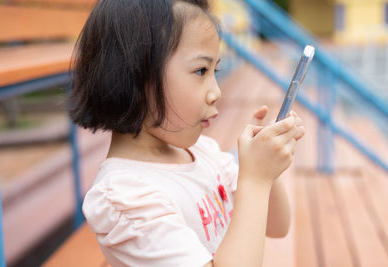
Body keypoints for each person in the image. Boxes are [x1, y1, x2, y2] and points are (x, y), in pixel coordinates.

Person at [67, 0, 305, 266]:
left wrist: (265, 172)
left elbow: (276, 225)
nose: (217, 92)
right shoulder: (124, 198)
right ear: (134, 74)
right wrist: (256, 179)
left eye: (215, 71)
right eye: (201, 71)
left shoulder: (203, 152)